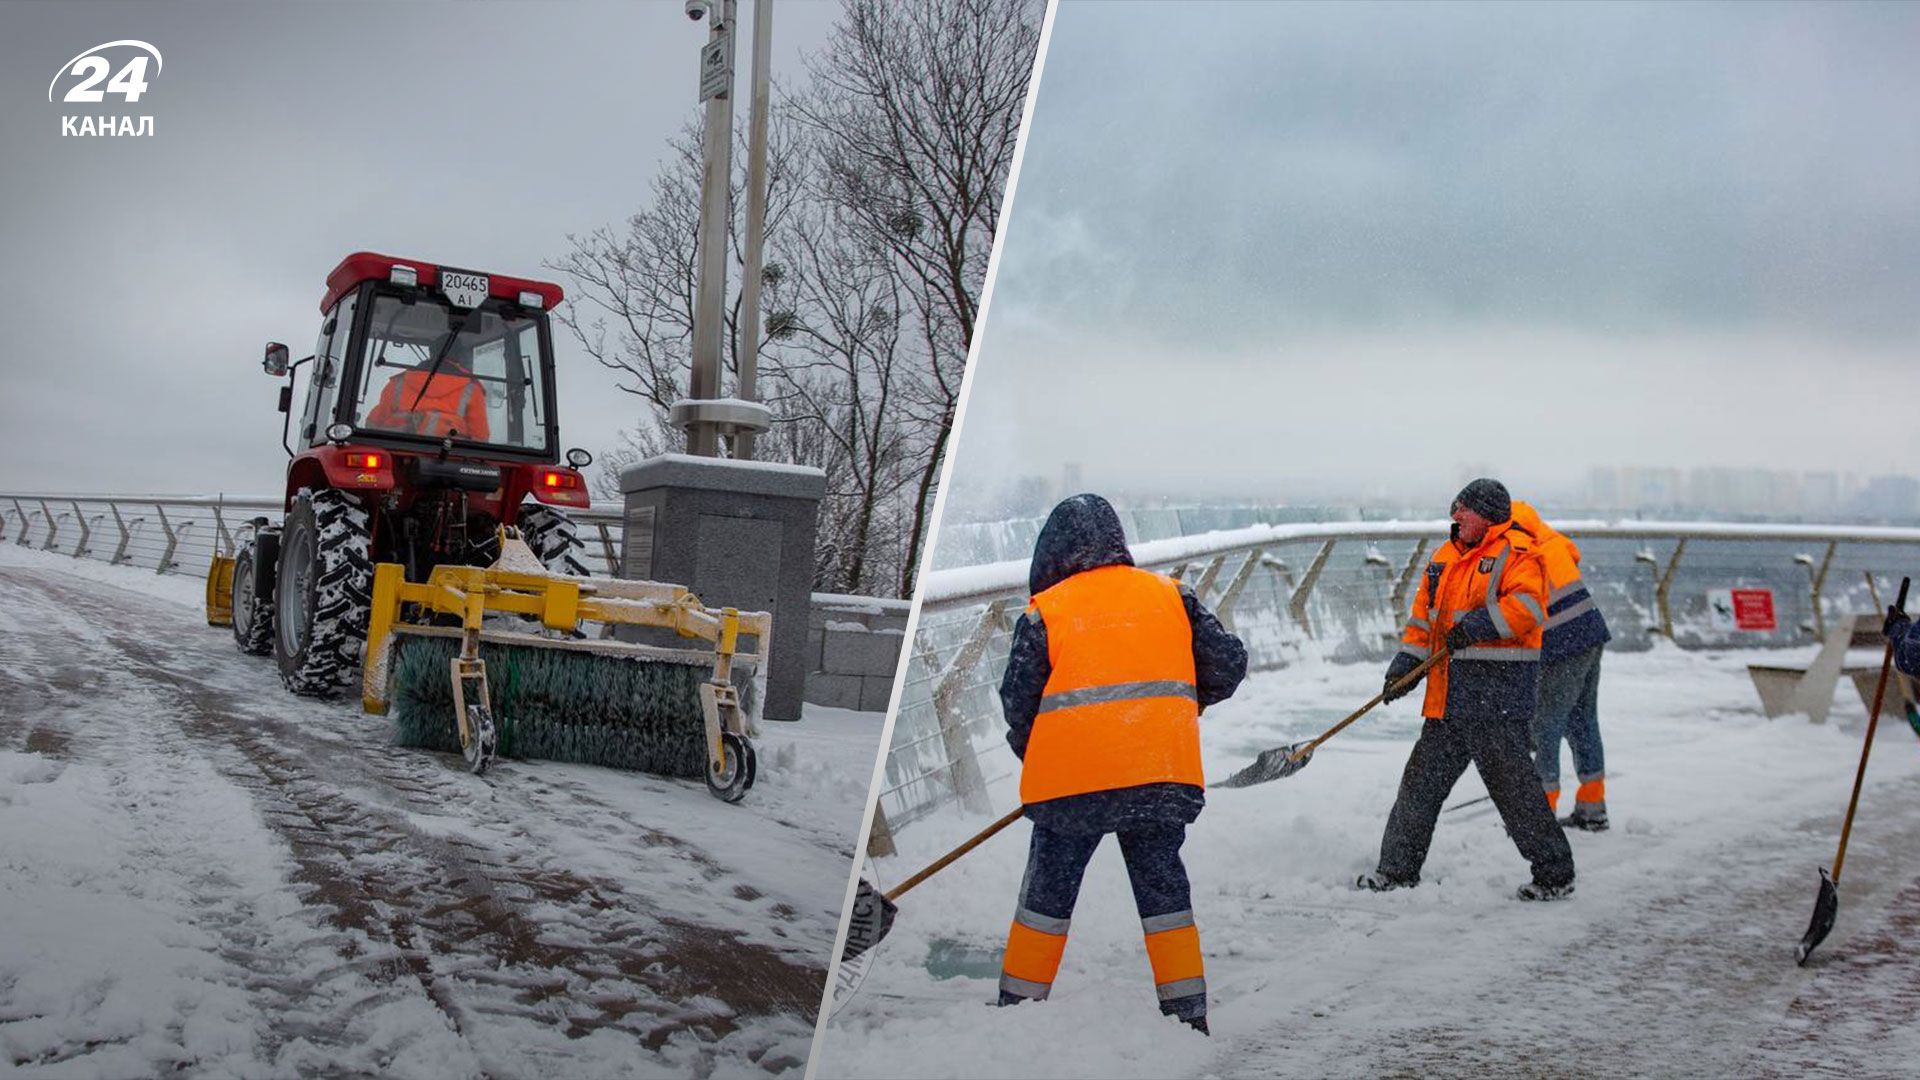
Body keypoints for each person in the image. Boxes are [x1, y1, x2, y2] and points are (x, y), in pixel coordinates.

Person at [996, 494, 1248, 1034]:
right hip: (1159, 772)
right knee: (1165, 897)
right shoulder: (1172, 596)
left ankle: (1016, 1013)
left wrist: (1038, 752)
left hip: (1070, 786)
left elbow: (1018, 700)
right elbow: (1228, 664)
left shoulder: (1047, 611)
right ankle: (1188, 1016)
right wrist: (1181, 703)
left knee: (1047, 895)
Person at [1357, 478, 1576, 901]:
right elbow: (1424, 622)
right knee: (1419, 786)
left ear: (1488, 515)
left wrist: (1477, 626)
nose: (1455, 515)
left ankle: (1555, 874)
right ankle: (1397, 871)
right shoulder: (1444, 558)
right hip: (1449, 699)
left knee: (1515, 793)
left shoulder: (1519, 552)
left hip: (1496, 700)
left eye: (1464, 509)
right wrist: (1407, 664)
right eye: (1454, 507)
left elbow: (1528, 608)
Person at [1509, 502, 1612, 831]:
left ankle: (1540, 814)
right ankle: (1592, 805)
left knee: (1545, 725)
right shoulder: (1551, 540)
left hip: (1562, 645)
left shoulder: (1519, 549)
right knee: (1583, 720)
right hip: (1591, 634)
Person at [364, 348, 490, 440]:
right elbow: (480, 436)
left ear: (431, 353)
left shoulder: (399, 382)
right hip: (450, 458)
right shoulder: (472, 389)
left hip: (396, 450)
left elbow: (374, 423)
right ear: (460, 358)